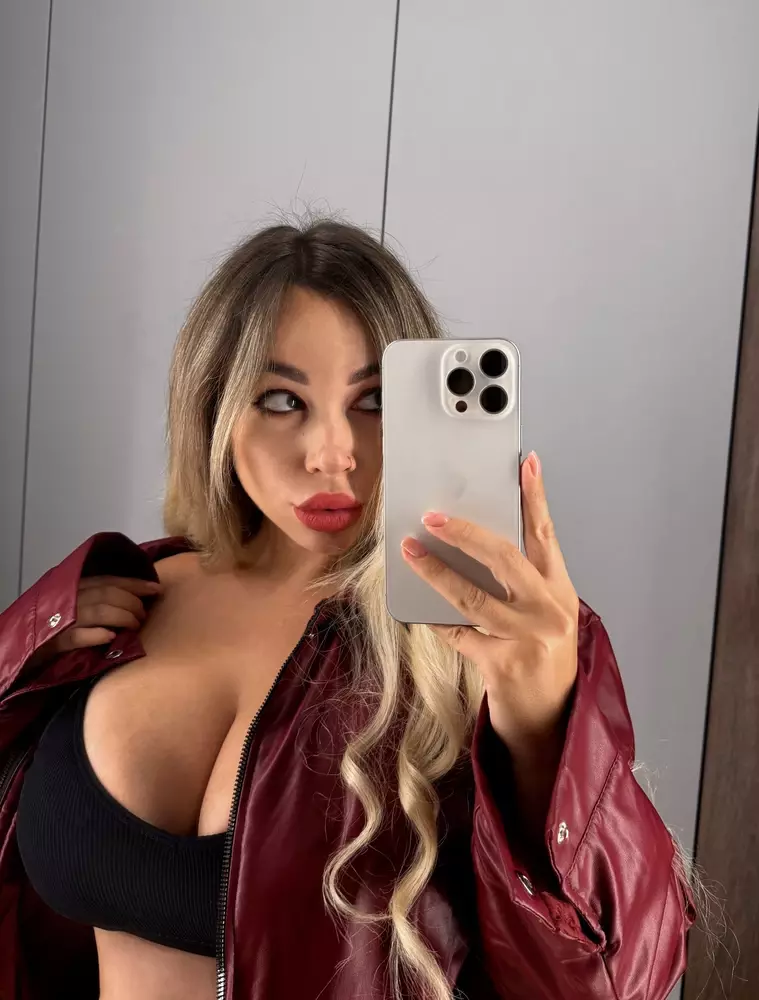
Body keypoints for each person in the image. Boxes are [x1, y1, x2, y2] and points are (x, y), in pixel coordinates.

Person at [0, 219, 695, 1000]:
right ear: (213, 406)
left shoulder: (493, 642)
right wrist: (21, 665)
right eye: (281, 399)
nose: (331, 453)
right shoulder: (119, 599)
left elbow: (617, 980)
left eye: (374, 401)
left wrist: (541, 729)